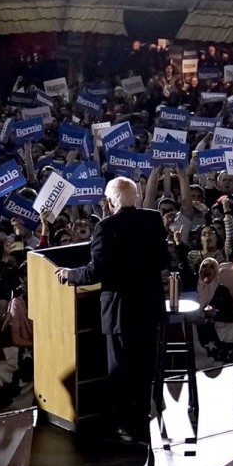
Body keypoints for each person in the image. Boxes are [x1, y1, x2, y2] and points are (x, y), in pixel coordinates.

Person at [56, 177, 168, 444]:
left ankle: (127, 427)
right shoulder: (153, 220)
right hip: (149, 308)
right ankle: (141, 419)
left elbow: (97, 271)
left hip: (121, 312)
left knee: (121, 371)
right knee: (143, 368)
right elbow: (164, 259)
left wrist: (70, 275)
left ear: (109, 202)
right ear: (136, 198)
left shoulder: (107, 227)